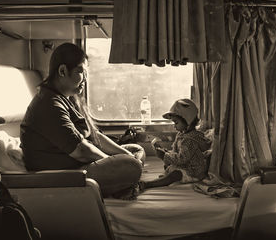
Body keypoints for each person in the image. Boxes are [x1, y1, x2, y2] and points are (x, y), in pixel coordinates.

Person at [20, 42, 144, 198]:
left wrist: (125, 155)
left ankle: (124, 184)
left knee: (136, 151)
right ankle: (124, 185)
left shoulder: (66, 97)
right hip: (62, 175)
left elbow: (95, 136)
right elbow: (81, 151)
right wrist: (116, 162)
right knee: (131, 166)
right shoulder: (48, 104)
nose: (85, 78)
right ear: (63, 71)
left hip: (79, 165)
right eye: (81, 72)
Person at [138, 98, 211, 192]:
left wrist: (165, 156)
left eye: (176, 122)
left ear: (188, 121)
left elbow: (182, 159)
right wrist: (167, 152)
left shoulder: (190, 140)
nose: (174, 126)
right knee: (168, 167)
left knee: (175, 175)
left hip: (193, 171)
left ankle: (148, 184)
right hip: (185, 165)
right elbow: (177, 151)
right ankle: (164, 177)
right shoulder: (182, 135)